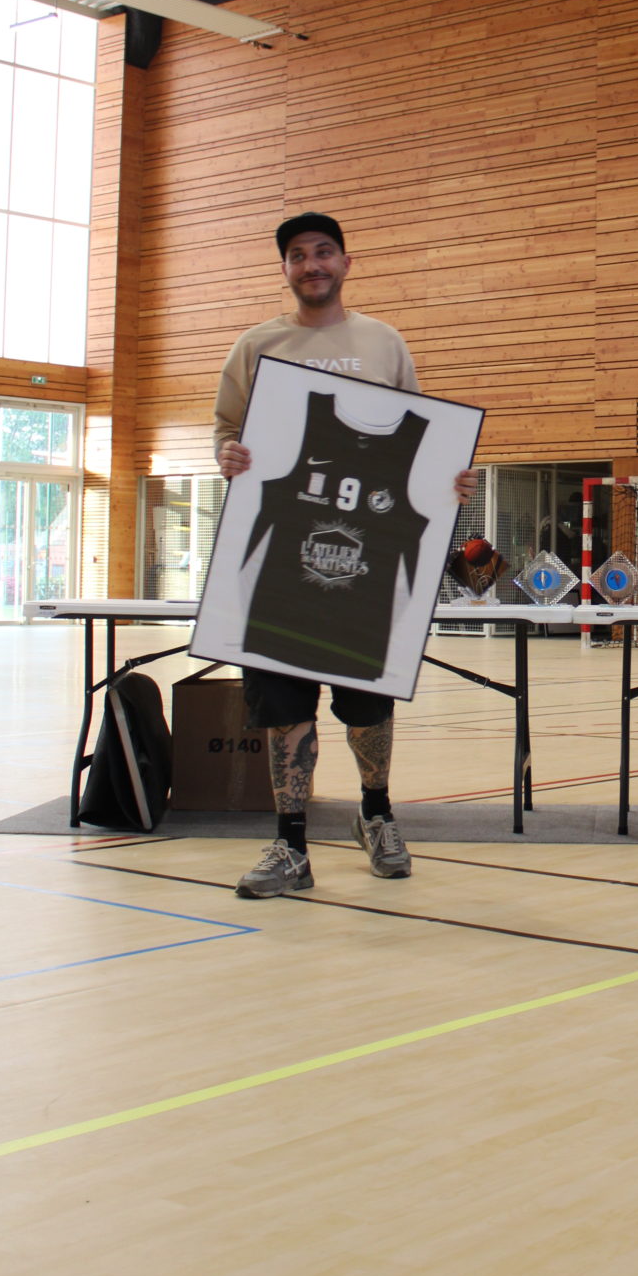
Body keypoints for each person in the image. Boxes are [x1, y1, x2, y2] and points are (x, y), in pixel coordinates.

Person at [214, 212, 476, 899]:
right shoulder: (257, 346)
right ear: (285, 269)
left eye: (324, 252)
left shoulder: (382, 342)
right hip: (284, 573)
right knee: (285, 710)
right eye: (298, 255)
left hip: (368, 571)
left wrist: (448, 480)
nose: (312, 265)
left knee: (368, 710)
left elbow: (428, 441)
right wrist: (227, 455)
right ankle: (290, 845)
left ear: (345, 262)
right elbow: (226, 429)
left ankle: (376, 814)